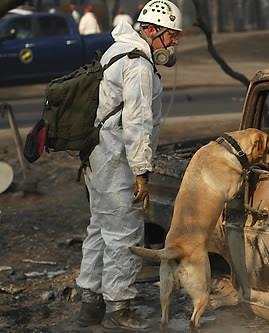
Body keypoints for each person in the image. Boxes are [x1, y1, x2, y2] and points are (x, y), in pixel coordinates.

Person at [75, 0, 182, 330]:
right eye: (171, 36)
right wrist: (141, 172)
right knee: (125, 233)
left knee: (100, 228)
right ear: (151, 31)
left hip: (98, 154)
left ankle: (90, 304)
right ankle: (119, 310)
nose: (175, 43)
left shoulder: (118, 49)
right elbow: (137, 122)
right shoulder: (137, 64)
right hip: (115, 159)